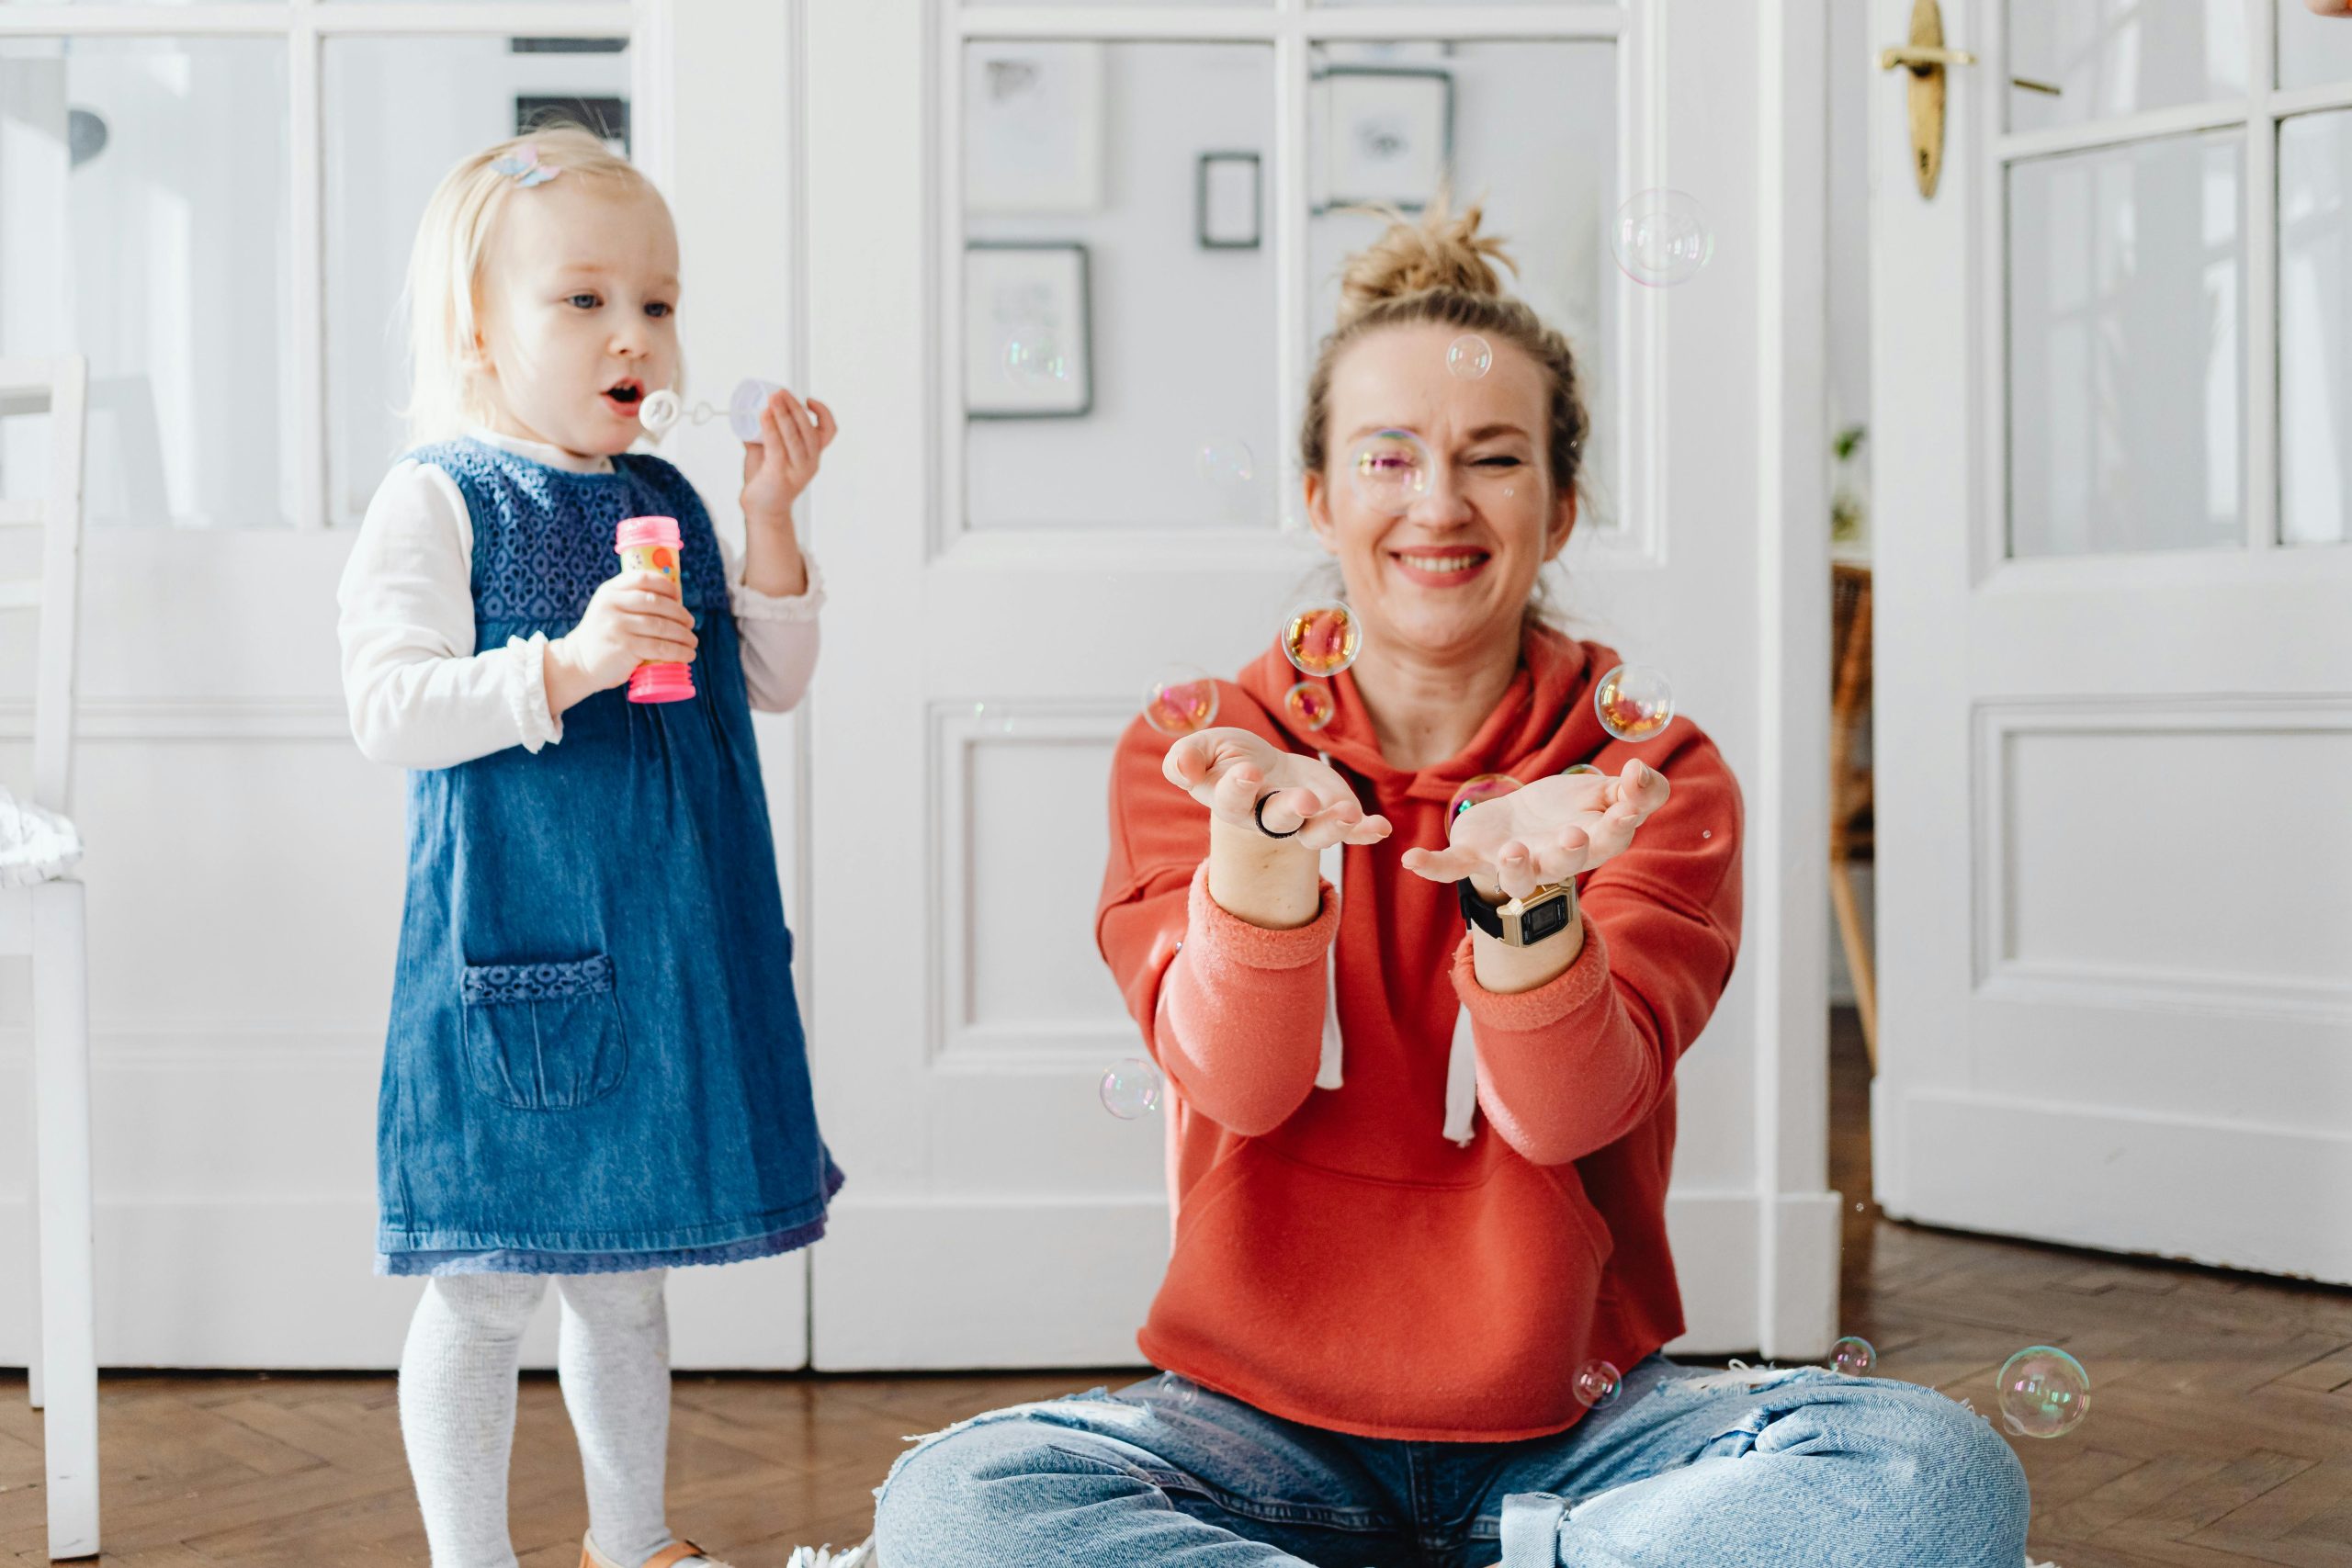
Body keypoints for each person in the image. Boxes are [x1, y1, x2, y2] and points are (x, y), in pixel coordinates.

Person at [869, 201, 2029, 1567]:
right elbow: (1241, 1086)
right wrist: (1257, 857)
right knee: (958, 1509)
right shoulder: (1202, 752)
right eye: (1389, 457)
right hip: (1252, 1420)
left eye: (1493, 458)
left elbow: (1570, 1107)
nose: (1438, 503)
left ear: (1560, 505)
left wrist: (1526, 899)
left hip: (1582, 1428)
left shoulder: (1642, 765)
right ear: (1319, 493)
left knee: (1931, 1478)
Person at [337, 125, 841, 1568]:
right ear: (477, 333)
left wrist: (767, 518)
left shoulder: (670, 499)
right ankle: (472, 1558)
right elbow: (387, 709)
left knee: (626, 1281)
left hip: (661, 952)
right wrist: (562, 664)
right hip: (523, 953)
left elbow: (774, 681)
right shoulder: (440, 497)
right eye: (584, 300)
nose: (636, 333)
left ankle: (635, 1541)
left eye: (660, 302)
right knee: (488, 1285)